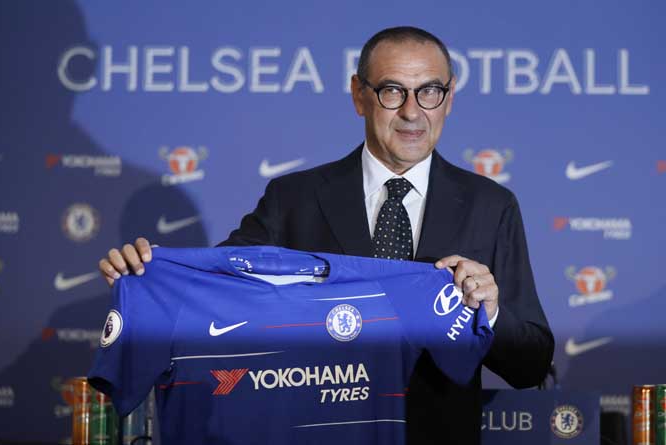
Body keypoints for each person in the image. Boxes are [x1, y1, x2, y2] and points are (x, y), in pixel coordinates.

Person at [98, 26, 554, 445]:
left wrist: (489, 315)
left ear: (449, 97)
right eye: (392, 91)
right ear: (359, 95)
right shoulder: (292, 198)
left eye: (429, 91)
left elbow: (530, 362)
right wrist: (151, 274)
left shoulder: (490, 206)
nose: (413, 111)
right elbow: (214, 295)